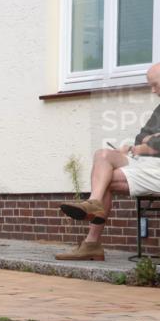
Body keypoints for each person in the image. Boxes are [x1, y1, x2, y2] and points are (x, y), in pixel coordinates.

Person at [56, 63, 160, 260]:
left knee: (106, 181)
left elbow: (154, 145)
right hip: (145, 164)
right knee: (103, 154)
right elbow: (142, 139)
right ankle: (93, 203)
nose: (153, 91)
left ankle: (92, 243)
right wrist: (147, 142)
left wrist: (146, 144)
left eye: (155, 85)